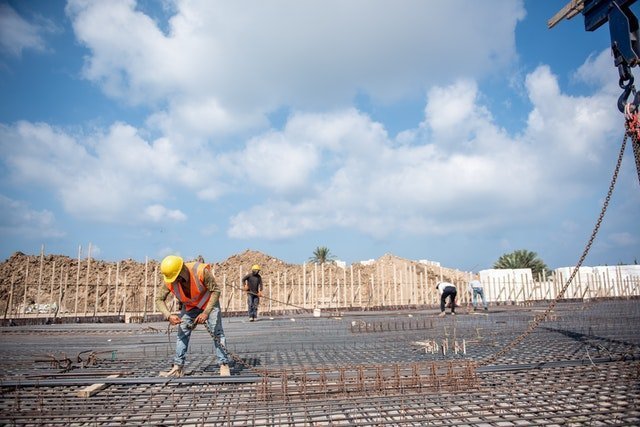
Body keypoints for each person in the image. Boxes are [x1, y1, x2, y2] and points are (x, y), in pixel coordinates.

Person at [156, 255, 231, 377]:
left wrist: (206, 312)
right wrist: (168, 315)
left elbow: (215, 291)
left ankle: (223, 364)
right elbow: (159, 299)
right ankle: (178, 367)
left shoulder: (201, 271)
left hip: (208, 304)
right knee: (182, 333)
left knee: (217, 333)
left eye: (177, 277)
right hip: (190, 306)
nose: (175, 281)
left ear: (182, 270)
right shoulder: (169, 280)